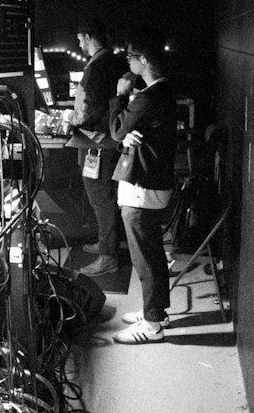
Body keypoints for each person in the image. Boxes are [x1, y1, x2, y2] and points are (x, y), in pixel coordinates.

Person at [108, 27, 178, 342]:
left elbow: (117, 131)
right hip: (156, 184)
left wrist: (121, 96)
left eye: (130, 57)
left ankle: (152, 325)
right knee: (153, 254)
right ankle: (155, 310)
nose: (127, 62)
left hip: (143, 188)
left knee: (145, 257)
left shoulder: (146, 98)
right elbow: (133, 131)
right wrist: (135, 133)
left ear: (144, 59)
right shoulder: (164, 92)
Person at [68, 18, 126, 275]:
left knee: (100, 200)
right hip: (110, 141)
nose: (78, 43)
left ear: (89, 37)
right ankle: (107, 243)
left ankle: (108, 256)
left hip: (96, 144)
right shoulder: (114, 61)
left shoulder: (96, 66)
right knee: (107, 199)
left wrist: (70, 120)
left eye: (80, 38)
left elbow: (88, 109)